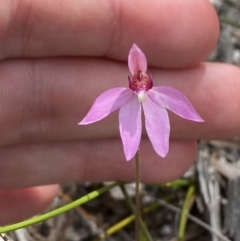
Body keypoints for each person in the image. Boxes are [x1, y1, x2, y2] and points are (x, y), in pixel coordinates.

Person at [0, 0, 239, 225]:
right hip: (129, 101)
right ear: (131, 75)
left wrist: (189, 113)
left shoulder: (164, 95)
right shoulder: (117, 96)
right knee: (131, 141)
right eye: (136, 76)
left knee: (159, 141)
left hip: (153, 101)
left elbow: (186, 110)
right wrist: (89, 118)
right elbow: (97, 111)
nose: (140, 79)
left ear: (146, 74)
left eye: (142, 75)